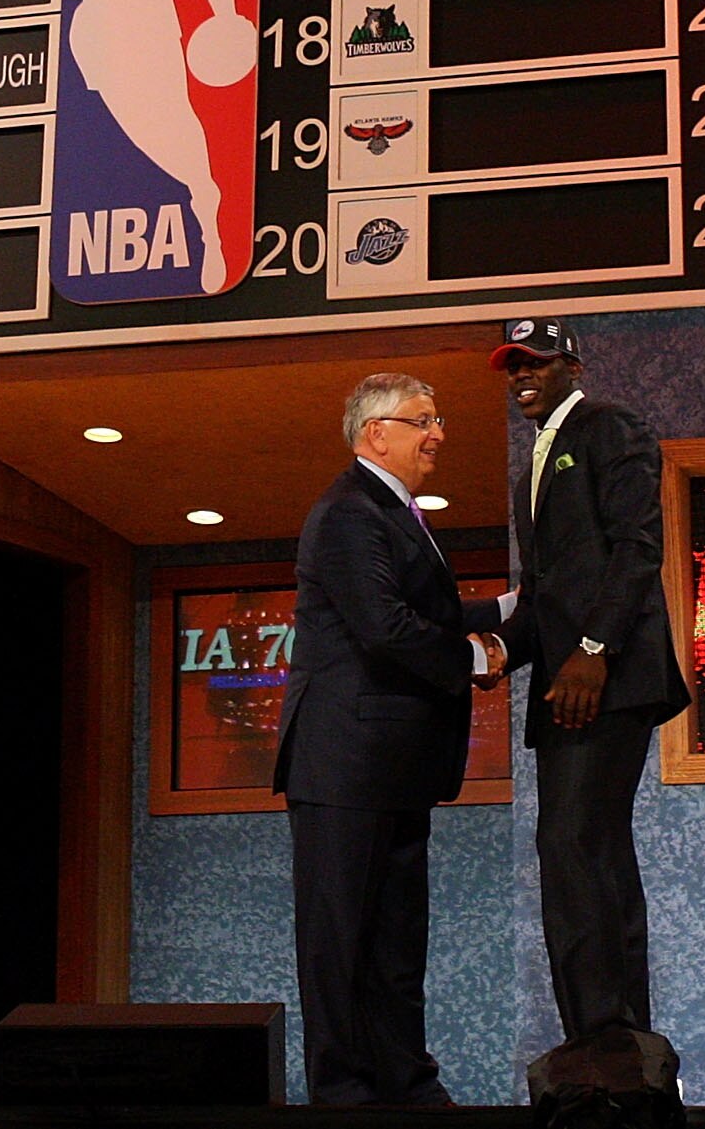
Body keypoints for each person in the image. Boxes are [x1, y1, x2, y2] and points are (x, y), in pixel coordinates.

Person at [274, 372, 509, 1105]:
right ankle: (345, 1094)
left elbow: (427, 605)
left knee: (396, 945)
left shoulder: (392, 510)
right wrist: (477, 654)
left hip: (394, 767)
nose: (438, 433)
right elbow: (385, 627)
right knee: (340, 943)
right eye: (424, 419)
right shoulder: (349, 511)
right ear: (376, 432)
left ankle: (406, 1082)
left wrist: (511, 608)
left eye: (438, 418)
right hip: (344, 764)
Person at [488, 317, 690, 1047]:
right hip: (570, 681)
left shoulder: (610, 426)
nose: (522, 376)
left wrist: (594, 648)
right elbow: (541, 592)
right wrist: (494, 653)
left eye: (536, 360)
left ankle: (603, 1031)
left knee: (574, 843)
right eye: (512, 366)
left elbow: (637, 546)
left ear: (572, 363)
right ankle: (611, 1029)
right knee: (589, 846)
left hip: (607, 678)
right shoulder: (531, 471)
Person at [63, 0, 248, 291]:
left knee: (176, 118)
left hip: (149, 19)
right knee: (132, 127)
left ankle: (206, 210)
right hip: (98, 27)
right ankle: (199, 190)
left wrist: (226, 22)